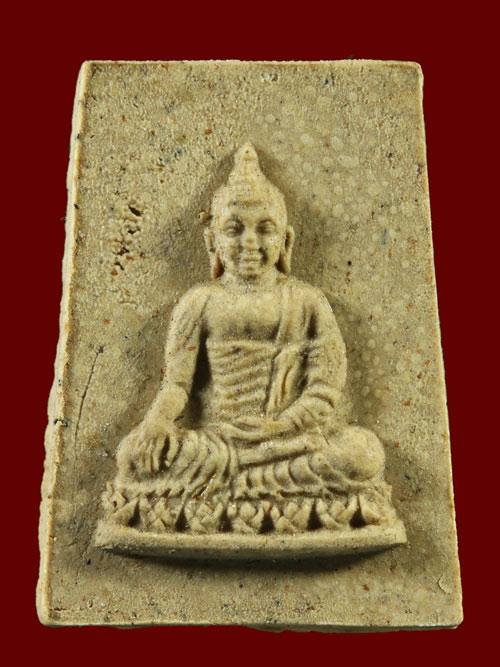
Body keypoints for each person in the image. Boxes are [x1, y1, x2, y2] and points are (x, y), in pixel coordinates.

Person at [103, 143, 398, 535]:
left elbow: (325, 389)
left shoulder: (307, 302)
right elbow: (176, 384)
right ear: (212, 242)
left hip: (289, 444)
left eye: (265, 229)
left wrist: (279, 429)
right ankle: (275, 500)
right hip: (217, 445)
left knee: (363, 453)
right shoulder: (199, 302)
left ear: (286, 241)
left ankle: (217, 500)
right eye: (234, 228)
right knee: (131, 456)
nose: (249, 242)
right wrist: (156, 422)